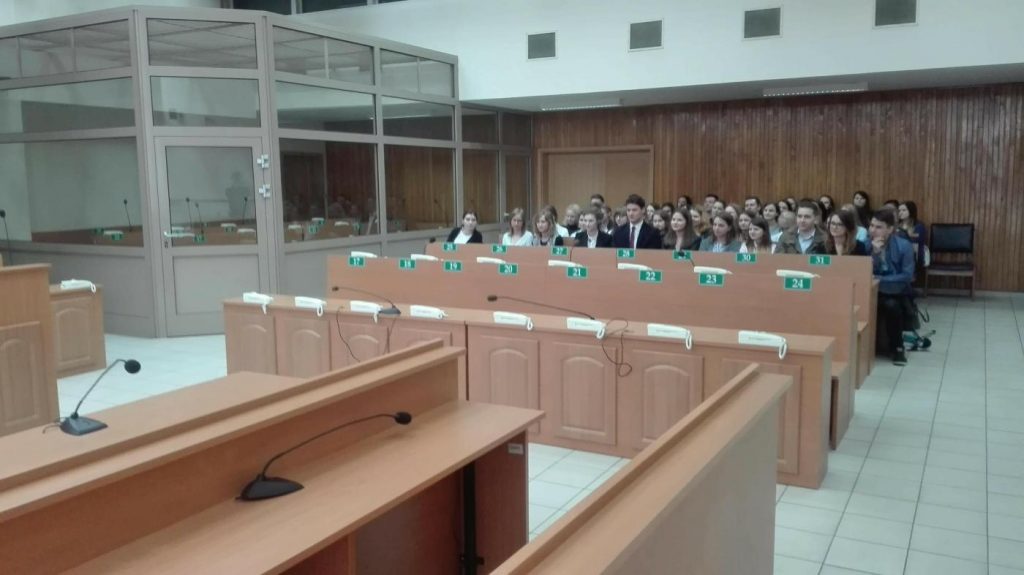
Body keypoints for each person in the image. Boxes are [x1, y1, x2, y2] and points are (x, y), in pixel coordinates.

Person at [870, 209, 915, 366]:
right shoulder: (865, 244)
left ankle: (898, 348)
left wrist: (881, 279)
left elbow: (907, 275)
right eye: (872, 225)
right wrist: (875, 254)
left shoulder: (904, 245)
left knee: (892, 306)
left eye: (878, 227)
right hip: (871, 290)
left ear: (890, 229)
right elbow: (863, 270)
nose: (873, 230)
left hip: (895, 291)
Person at [897, 201, 927, 270]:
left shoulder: (918, 226)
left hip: (914, 255)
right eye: (899, 210)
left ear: (911, 211)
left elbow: (914, 242)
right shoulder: (897, 225)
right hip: (898, 254)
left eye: (904, 210)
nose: (900, 213)